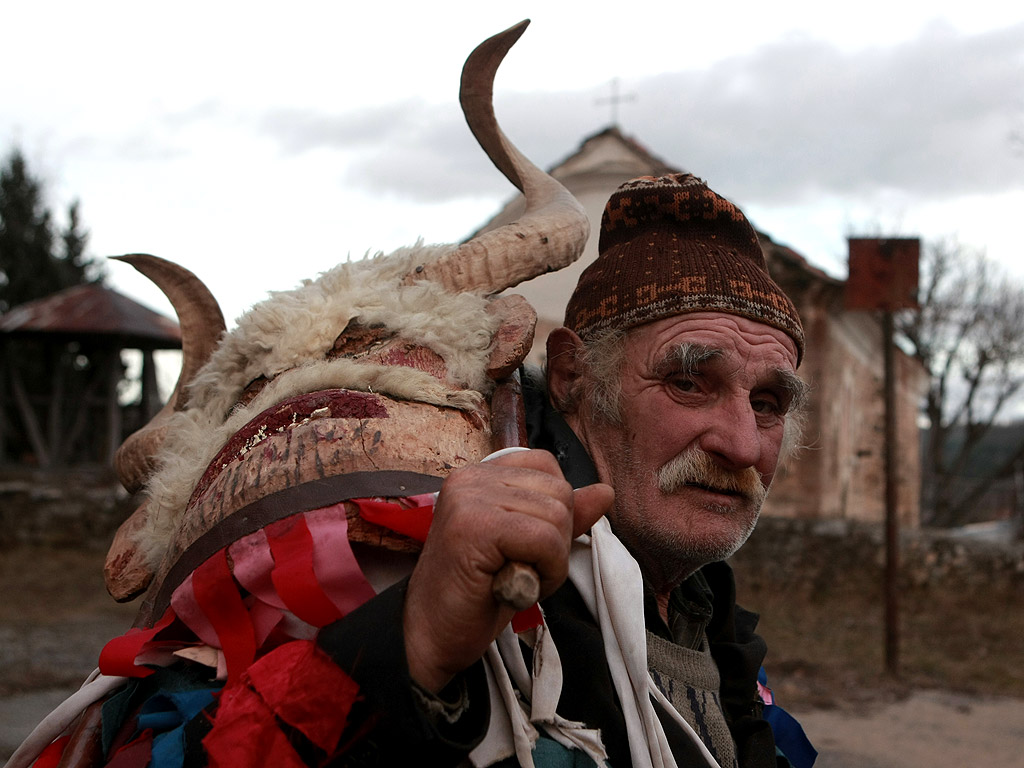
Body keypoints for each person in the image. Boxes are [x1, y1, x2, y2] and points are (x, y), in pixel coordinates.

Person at [317, 172, 811, 767]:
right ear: (573, 375)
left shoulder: (707, 615)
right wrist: (417, 642)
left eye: (767, 403)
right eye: (686, 382)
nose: (742, 444)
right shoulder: (466, 578)